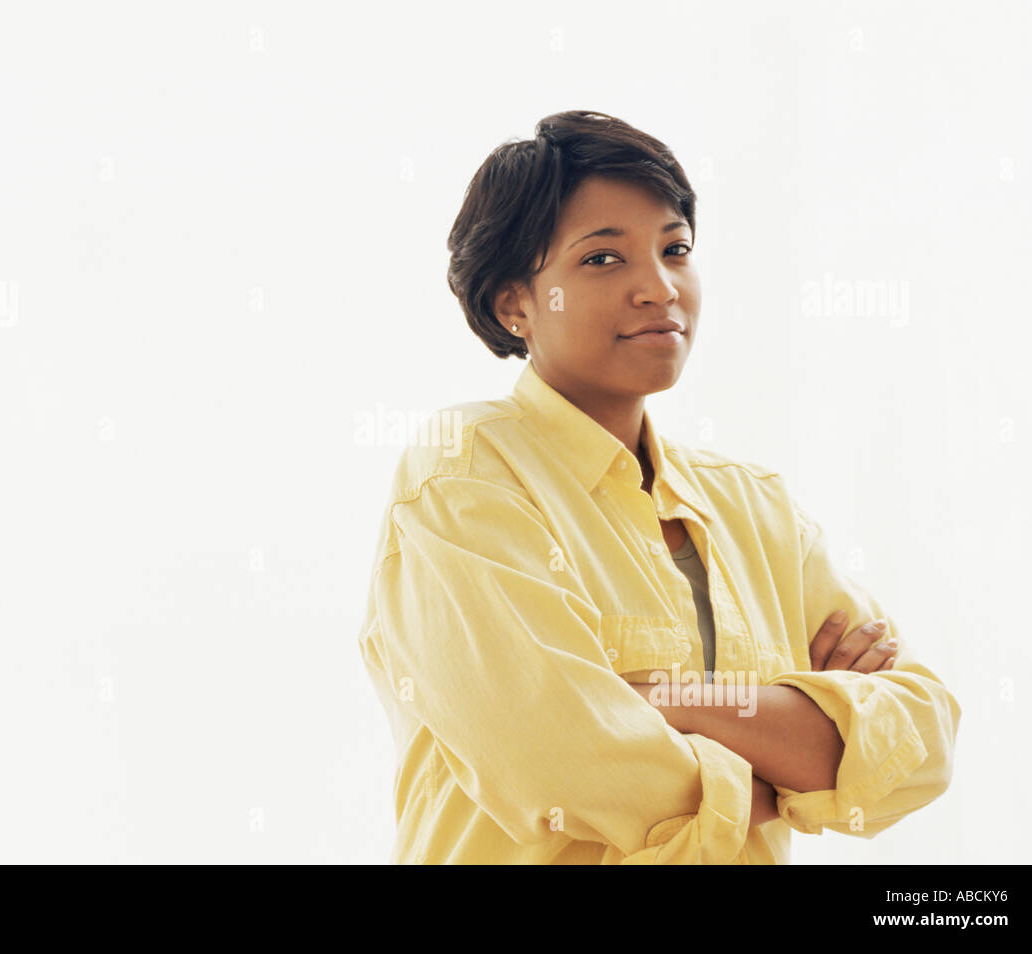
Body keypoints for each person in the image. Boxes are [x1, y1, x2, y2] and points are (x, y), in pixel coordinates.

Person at [355, 110, 960, 864]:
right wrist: (793, 766)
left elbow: (922, 738)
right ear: (515, 303)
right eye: (603, 260)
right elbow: (564, 761)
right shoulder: (465, 474)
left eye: (675, 250)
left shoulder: (753, 505)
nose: (659, 288)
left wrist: (664, 699)